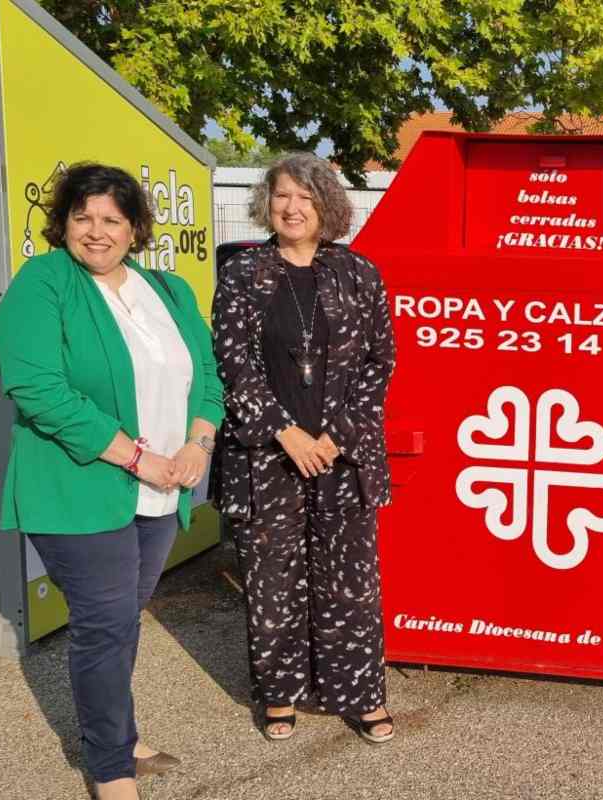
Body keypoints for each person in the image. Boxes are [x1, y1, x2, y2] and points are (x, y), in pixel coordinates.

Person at [0, 163, 224, 800]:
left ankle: (114, 731)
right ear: (62, 222)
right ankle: (110, 767)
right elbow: (37, 388)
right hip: (78, 488)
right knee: (105, 622)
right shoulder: (43, 283)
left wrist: (198, 443)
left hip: (163, 487)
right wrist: (139, 456)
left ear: (135, 228)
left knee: (122, 617)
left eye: (111, 220)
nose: (96, 232)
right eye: (82, 217)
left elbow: (207, 375)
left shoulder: (168, 290)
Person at [212, 153, 395, 744]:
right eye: (282, 195)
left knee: (350, 584)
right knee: (271, 582)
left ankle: (361, 694)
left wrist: (335, 434)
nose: (292, 208)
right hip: (267, 455)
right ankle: (279, 695)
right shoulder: (243, 273)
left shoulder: (360, 274)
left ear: (327, 207)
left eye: (306, 198)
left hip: (342, 456)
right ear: (267, 202)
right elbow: (233, 364)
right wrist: (285, 432)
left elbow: (379, 363)